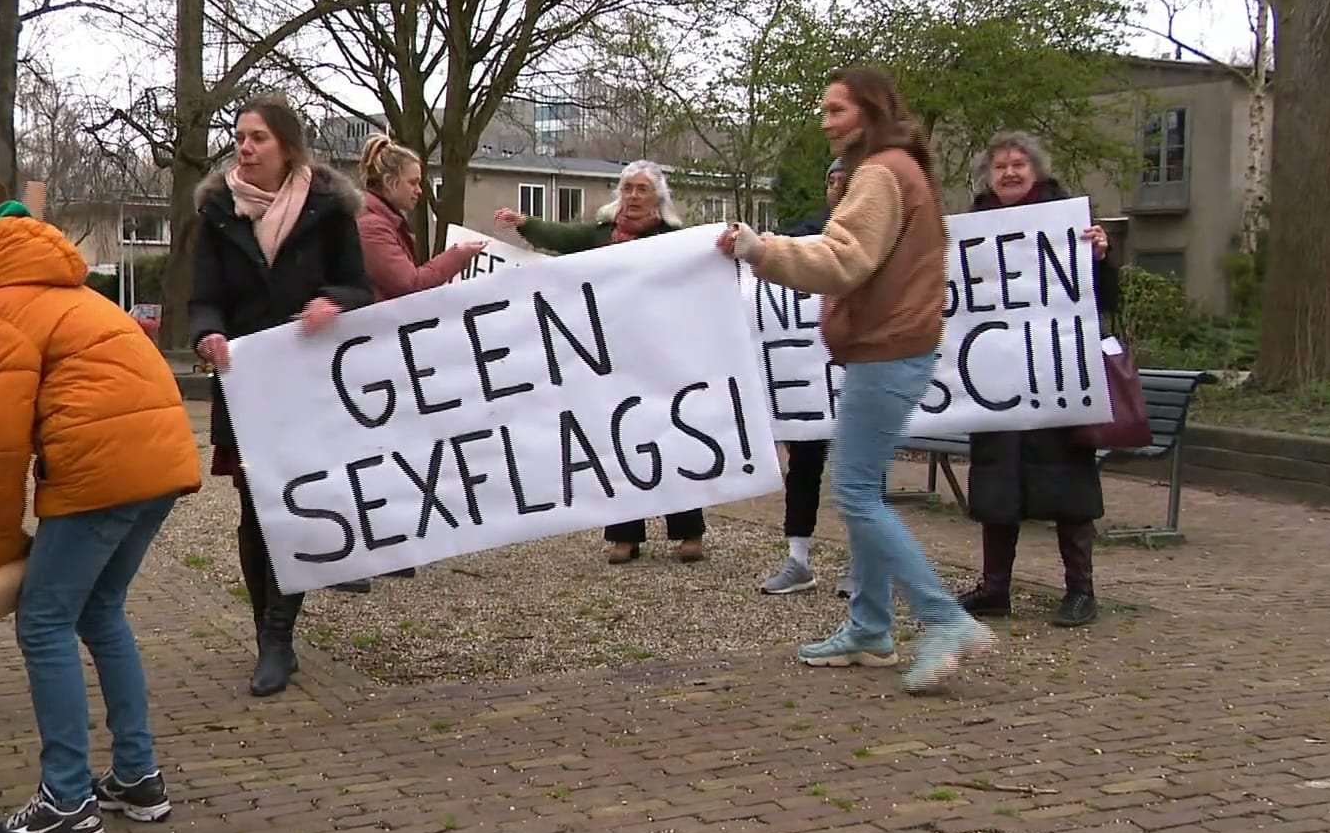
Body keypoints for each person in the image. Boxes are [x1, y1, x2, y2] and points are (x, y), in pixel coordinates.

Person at [0, 186, 201, 833]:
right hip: (159, 460)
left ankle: (66, 801)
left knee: (45, 620)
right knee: (101, 609)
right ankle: (138, 777)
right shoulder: (52, 286)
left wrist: (0, 549)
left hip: (101, 469)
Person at [719, 67, 995, 693]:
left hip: (887, 352)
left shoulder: (879, 174)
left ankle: (943, 618)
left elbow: (843, 259)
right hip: (894, 349)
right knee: (864, 489)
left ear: (867, 114)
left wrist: (760, 251)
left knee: (856, 497)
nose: (825, 121)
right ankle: (870, 629)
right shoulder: (902, 170)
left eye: (836, 109)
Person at [189, 96, 374, 698]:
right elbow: (204, 296)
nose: (245, 147)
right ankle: (265, 634)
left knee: (290, 507)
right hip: (245, 381)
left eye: (259, 138)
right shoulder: (219, 211)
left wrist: (332, 303)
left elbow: (358, 286)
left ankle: (279, 636)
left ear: (287, 147)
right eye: (240, 137)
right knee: (254, 509)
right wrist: (207, 332)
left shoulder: (327, 210)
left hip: (309, 380)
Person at [493, 160, 706, 565]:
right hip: (609, 356)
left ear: (658, 197)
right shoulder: (599, 235)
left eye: (642, 189)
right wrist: (525, 222)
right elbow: (563, 236)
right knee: (620, 440)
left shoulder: (675, 240)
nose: (634, 196)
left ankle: (688, 530)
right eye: (628, 188)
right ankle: (625, 535)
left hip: (661, 355)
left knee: (672, 437)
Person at [953, 132, 1116, 627]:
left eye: (1018, 164)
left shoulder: (1069, 222)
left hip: (1054, 375)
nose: (1009, 173)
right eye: (999, 165)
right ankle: (995, 588)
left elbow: (1103, 300)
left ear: (1036, 170)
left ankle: (1080, 590)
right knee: (997, 485)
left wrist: (1102, 258)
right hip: (997, 378)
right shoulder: (972, 228)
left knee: (1067, 483)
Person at [352, 133, 488, 588]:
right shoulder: (373, 225)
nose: (419, 190)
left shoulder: (381, 221)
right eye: (413, 182)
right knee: (378, 450)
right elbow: (407, 283)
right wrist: (456, 258)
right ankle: (371, 547)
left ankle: (386, 543)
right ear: (389, 181)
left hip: (377, 350)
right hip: (371, 354)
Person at [761, 158, 845, 597]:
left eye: (849, 179)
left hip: (858, 371)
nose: (839, 186)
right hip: (809, 380)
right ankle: (798, 558)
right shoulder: (806, 232)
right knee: (805, 467)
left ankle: (864, 564)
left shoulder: (891, 234)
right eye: (832, 179)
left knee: (863, 474)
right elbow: (769, 259)